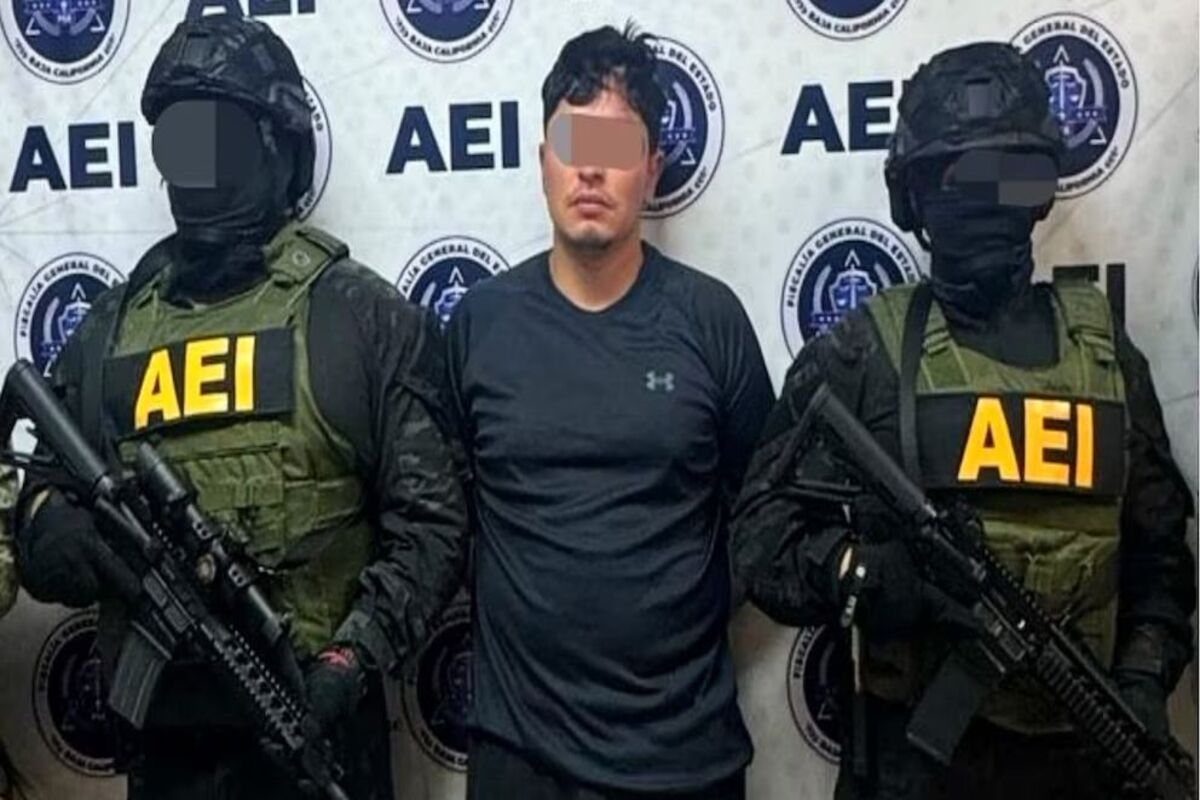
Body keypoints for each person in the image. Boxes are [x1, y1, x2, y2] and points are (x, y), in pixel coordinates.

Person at [11, 10, 469, 799]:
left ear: (277, 144)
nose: (195, 162)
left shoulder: (357, 317)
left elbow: (434, 526)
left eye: (216, 134)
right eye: (179, 138)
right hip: (164, 754)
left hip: (317, 736)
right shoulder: (110, 329)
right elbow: (41, 492)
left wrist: (349, 660)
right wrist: (56, 530)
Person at [731, 42, 1196, 800]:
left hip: (1078, 760)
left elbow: (1162, 557)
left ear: (1040, 191)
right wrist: (857, 572)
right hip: (913, 763)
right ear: (913, 199)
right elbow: (760, 534)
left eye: (1008, 176)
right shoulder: (863, 354)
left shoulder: (1106, 356)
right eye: (956, 179)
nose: (983, 201)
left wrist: (1143, 677)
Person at [446, 23, 774, 800]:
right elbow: (443, 514)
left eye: (617, 146)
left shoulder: (710, 320)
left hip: (684, 755)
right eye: (572, 142)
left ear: (652, 169)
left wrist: (679, 607)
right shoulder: (480, 324)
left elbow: (768, 510)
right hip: (520, 756)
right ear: (542, 162)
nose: (591, 168)